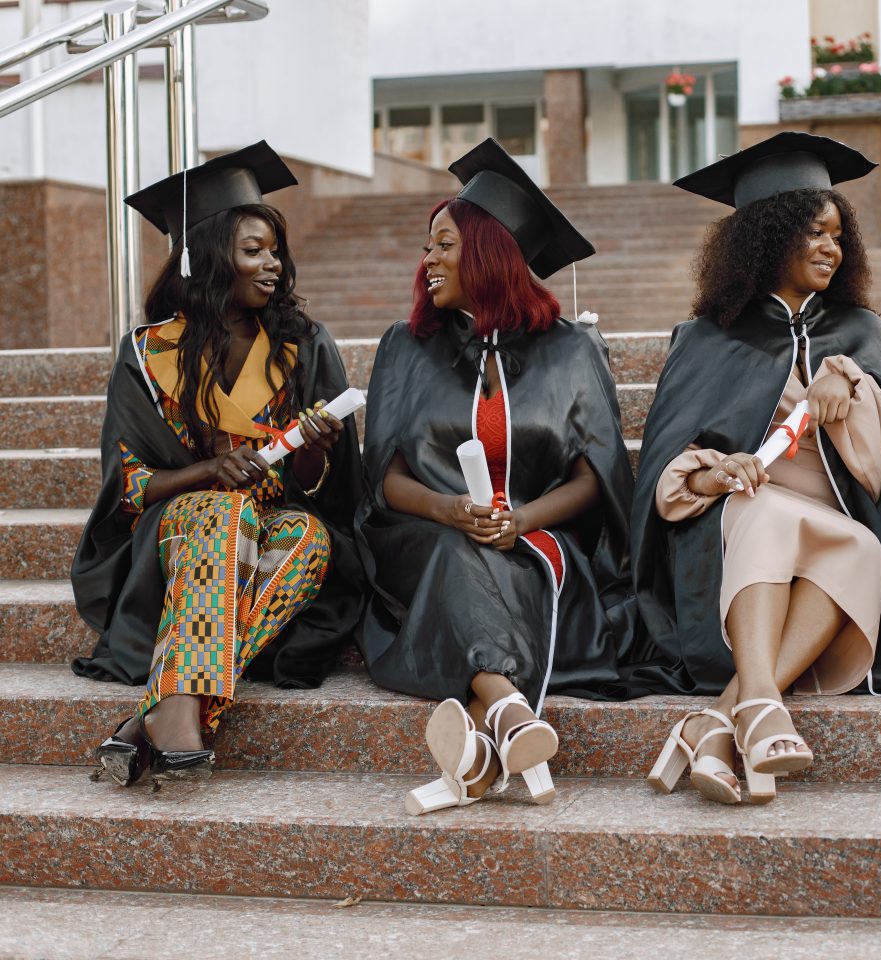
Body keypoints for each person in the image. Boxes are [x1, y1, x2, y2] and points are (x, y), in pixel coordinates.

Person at [632, 133, 881, 806]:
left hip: (833, 524)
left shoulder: (861, 331)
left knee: (860, 549)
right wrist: (720, 472)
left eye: (838, 235)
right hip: (738, 527)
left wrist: (847, 385)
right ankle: (764, 704)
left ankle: (718, 720)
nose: (833, 248)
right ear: (770, 240)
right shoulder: (707, 338)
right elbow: (668, 474)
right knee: (767, 513)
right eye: (815, 234)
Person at [356, 139, 641, 814]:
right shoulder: (409, 346)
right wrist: (451, 510)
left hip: (536, 540)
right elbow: (386, 478)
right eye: (428, 247)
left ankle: (488, 742)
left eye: (444, 245)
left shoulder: (570, 350)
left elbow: (593, 476)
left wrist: (524, 520)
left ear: (487, 252)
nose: (428, 261)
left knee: (490, 554)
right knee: (463, 548)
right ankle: (514, 713)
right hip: (425, 538)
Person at [72, 142, 364, 786]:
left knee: (310, 540)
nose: (272, 265)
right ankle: (178, 713)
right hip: (168, 545)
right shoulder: (147, 357)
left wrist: (313, 452)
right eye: (252, 250)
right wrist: (208, 472)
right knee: (220, 508)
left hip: (264, 541)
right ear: (208, 258)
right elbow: (127, 486)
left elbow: (328, 491)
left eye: (275, 250)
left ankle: (165, 704)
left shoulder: (303, 346)